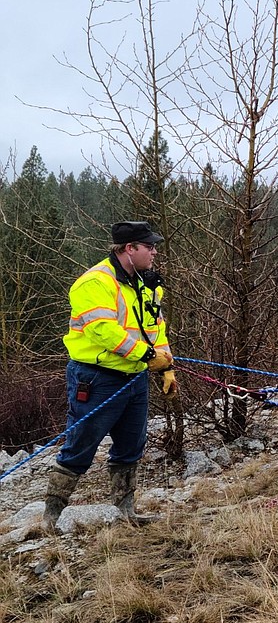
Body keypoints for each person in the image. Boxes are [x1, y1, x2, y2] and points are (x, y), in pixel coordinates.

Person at [39, 220, 179, 534]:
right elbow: (102, 330)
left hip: (135, 378)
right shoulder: (94, 282)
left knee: (132, 444)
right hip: (96, 378)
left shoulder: (148, 285)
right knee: (80, 445)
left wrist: (165, 366)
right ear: (130, 249)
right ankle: (50, 519)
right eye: (149, 246)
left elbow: (155, 329)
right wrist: (147, 356)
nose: (155, 252)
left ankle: (125, 511)